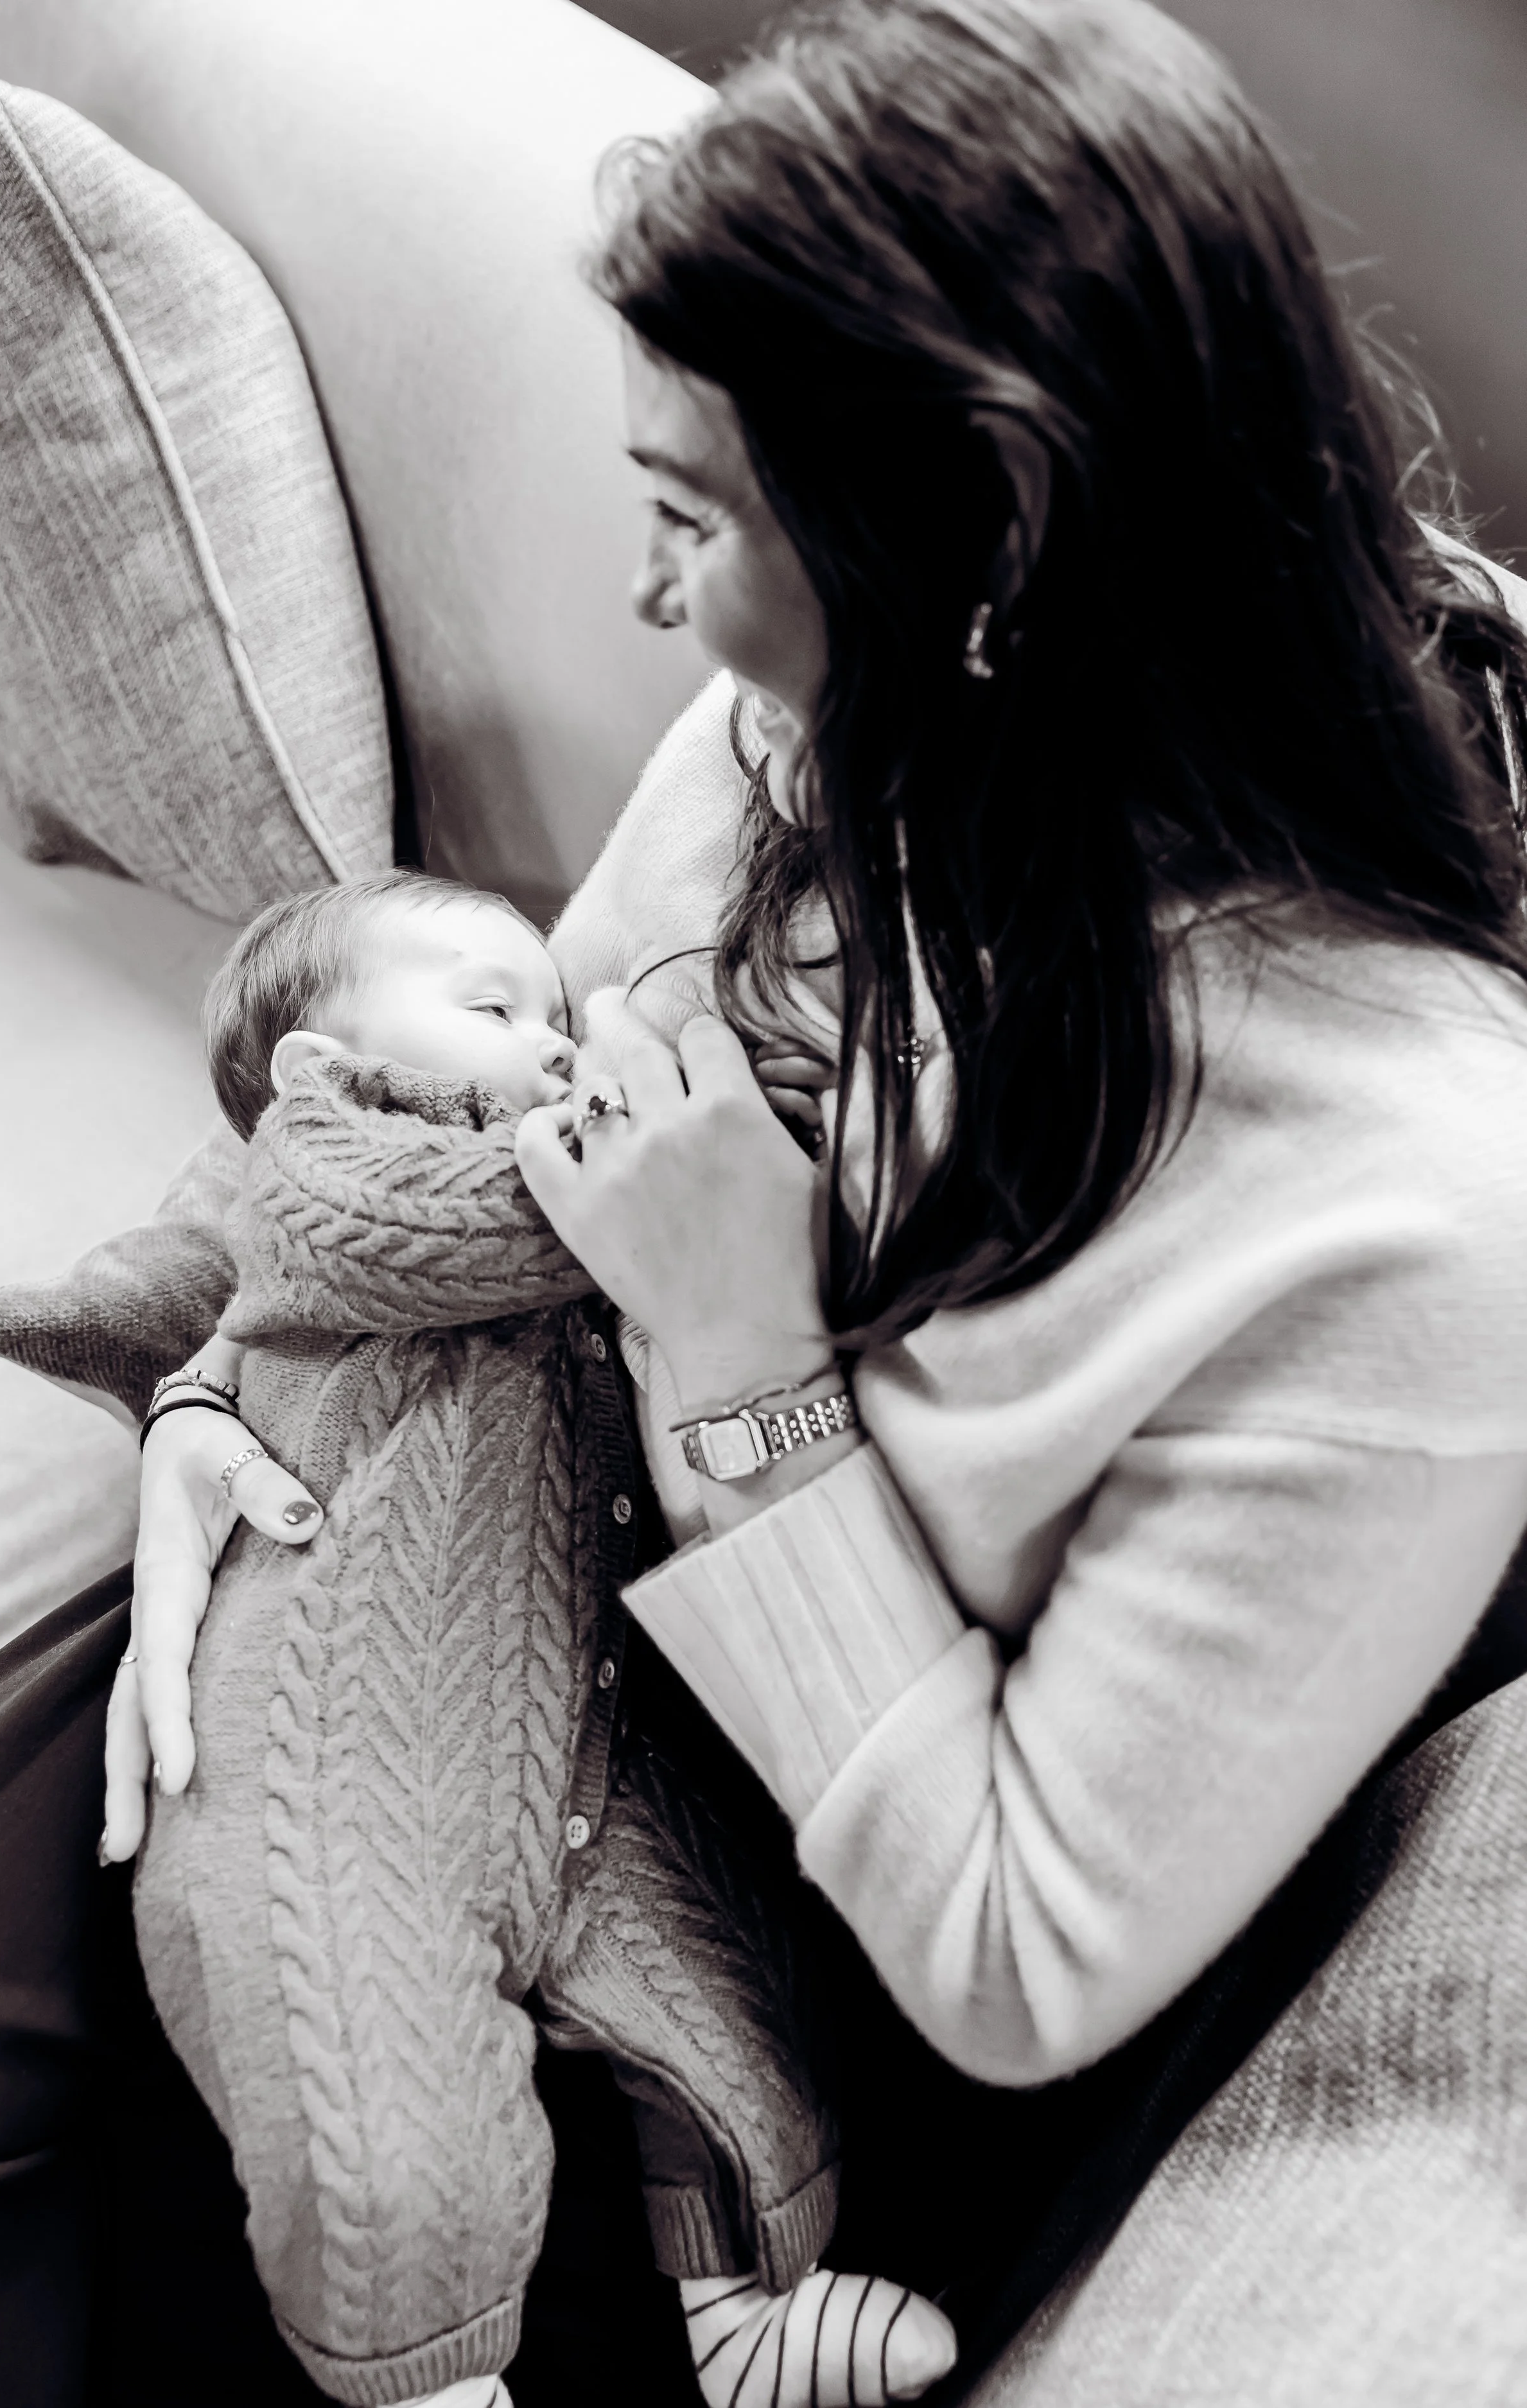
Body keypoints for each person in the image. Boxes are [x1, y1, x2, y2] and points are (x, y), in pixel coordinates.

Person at [102, 0, 1527, 2394]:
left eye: (690, 518)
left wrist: (754, 1373)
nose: (656, 608)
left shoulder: (1401, 1221)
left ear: (995, 520)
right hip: (554, 1753)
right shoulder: (846, 734)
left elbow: (1017, 1961)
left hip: (911, 2078)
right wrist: (215, 1391)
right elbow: (506, 1106)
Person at [23, 868, 943, 2408]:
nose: (559, 1040)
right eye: (495, 1011)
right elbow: (515, 1225)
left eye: (555, 1009)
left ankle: (744, 2312)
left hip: (581, 1755)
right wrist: (188, 1392)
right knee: (372, 2093)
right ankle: (429, 2382)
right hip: (340, 1762)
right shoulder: (334, 1165)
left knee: (732, 2006)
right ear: (323, 1073)